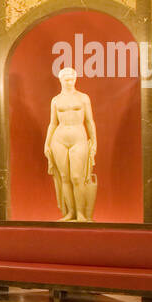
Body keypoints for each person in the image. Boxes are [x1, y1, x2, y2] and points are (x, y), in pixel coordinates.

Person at [43, 66, 97, 222]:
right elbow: (52, 123)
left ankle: (81, 213)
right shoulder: (56, 100)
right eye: (66, 79)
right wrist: (47, 143)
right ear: (60, 80)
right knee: (64, 177)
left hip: (78, 137)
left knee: (76, 177)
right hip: (59, 139)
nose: (69, 82)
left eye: (72, 78)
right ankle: (70, 213)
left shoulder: (83, 98)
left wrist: (94, 141)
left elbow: (89, 121)